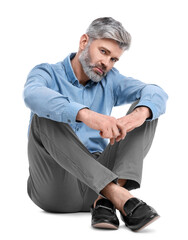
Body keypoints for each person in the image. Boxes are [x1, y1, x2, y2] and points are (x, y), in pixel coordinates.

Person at [23, 17, 168, 231]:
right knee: (43, 115)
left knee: (147, 110)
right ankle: (117, 195)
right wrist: (86, 115)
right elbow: (32, 95)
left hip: (98, 182)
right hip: (55, 188)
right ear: (84, 42)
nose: (106, 64)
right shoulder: (47, 73)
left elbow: (156, 92)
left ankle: (106, 198)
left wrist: (137, 116)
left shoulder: (110, 80)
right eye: (103, 52)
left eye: (114, 60)